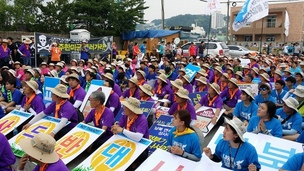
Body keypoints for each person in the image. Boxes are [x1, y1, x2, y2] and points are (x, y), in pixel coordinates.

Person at [111, 97, 149, 170]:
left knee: (125, 159)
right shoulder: (125, 116)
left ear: (132, 110)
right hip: (128, 143)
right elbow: (119, 126)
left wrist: (122, 130)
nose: (124, 108)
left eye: (126, 107)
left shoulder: (142, 119)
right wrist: (115, 128)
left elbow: (138, 137)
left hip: (141, 147)